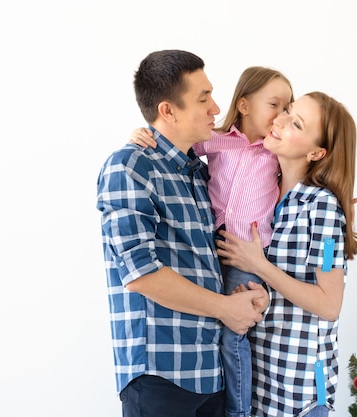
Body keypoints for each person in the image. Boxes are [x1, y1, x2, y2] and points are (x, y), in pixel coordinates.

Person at [96, 50, 269, 417]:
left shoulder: (199, 174)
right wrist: (226, 309)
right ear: (168, 110)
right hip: (161, 376)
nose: (216, 108)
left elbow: (208, 265)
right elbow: (141, 275)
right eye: (203, 98)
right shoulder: (130, 167)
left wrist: (247, 296)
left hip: (211, 375)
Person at [128, 66, 293, 417]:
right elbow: (173, 142)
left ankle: (241, 410)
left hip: (250, 252)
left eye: (288, 108)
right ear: (245, 106)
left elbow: (310, 170)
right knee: (226, 323)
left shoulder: (276, 151)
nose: (283, 115)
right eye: (275, 105)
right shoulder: (216, 142)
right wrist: (142, 134)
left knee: (235, 335)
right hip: (215, 246)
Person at [216, 91, 357, 417]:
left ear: (316, 152)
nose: (279, 121)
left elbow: (328, 304)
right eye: (287, 111)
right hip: (258, 383)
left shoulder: (320, 206)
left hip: (299, 391)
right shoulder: (265, 193)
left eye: (295, 123)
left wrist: (258, 264)